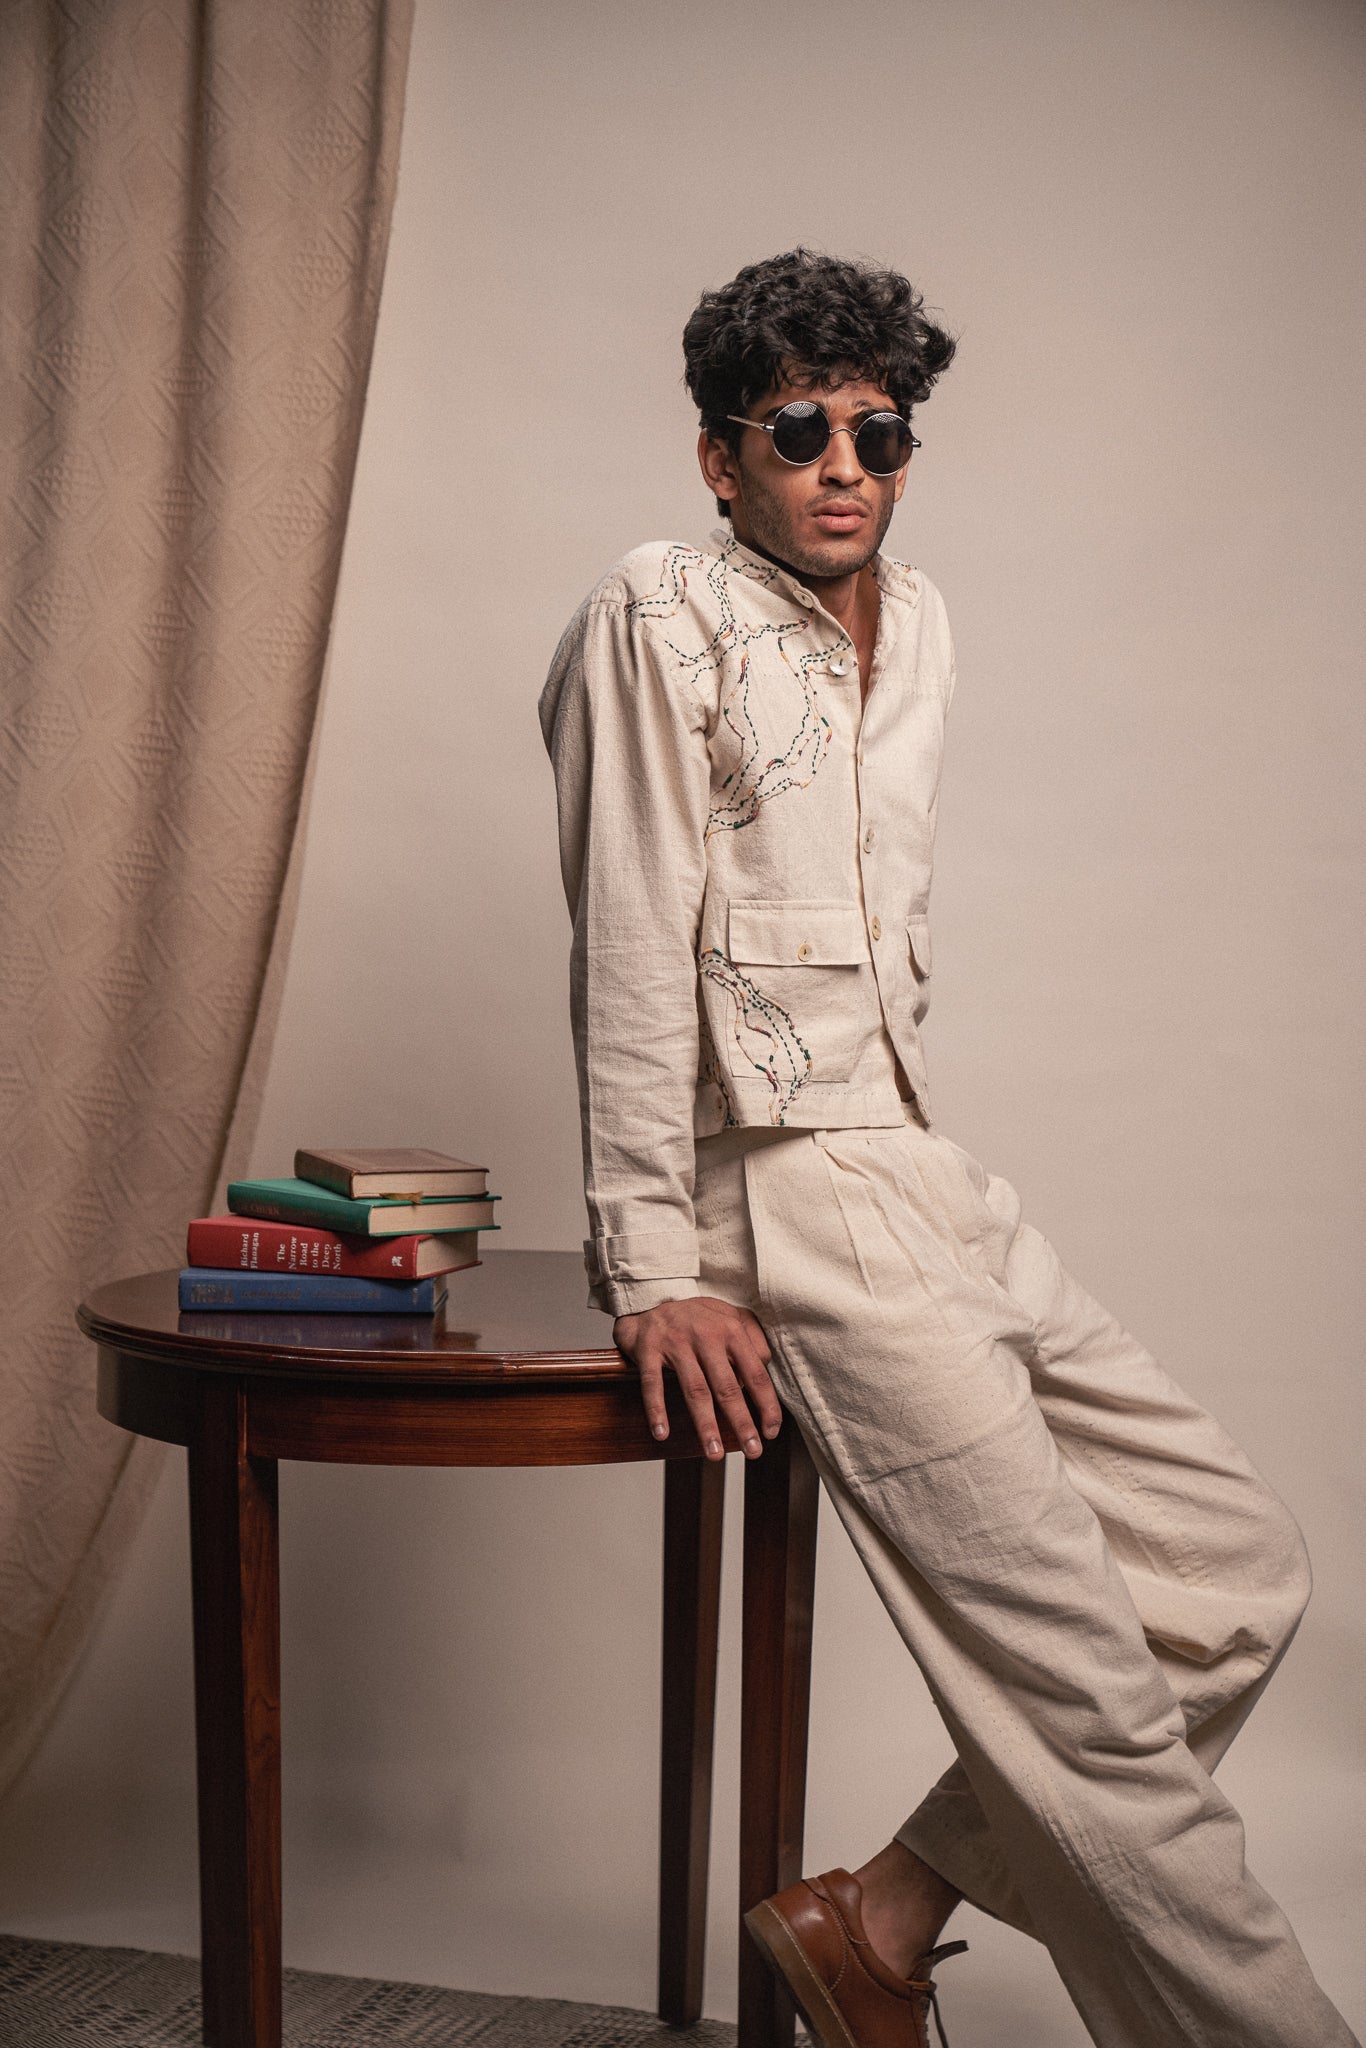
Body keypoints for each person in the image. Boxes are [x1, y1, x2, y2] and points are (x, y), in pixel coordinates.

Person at [538, 249, 1355, 2048]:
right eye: (799, 431)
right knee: (1087, 1704)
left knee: (1232, 1575)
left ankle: (879, 1924)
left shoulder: (921, 623)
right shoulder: (654, 612)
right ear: (720, 456)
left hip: (916, 1158)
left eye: (877, 433)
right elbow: (629, 937)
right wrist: (655, 1261)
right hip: (787, 1185)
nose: (842, 465)